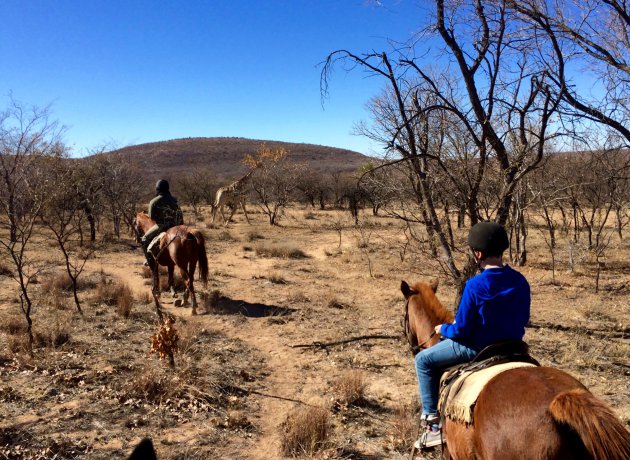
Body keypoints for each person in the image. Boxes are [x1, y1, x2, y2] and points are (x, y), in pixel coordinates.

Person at [414, 222, 531, 449]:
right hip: (514, 347)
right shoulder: (520, 280)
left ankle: (432, 426)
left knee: (423, 360)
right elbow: (523, 317)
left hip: (478, 347)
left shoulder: (474, 285)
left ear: (478, 254)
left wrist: (443, 329)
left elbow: (462, 330)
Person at [142, 179, 184, 267]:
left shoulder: (154, 201)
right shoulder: (175, 200)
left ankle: (149, 261)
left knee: (144, 239)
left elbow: (152, 218)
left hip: (161, 226)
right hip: (176, 226)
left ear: (158, 189)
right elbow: (180, 215)